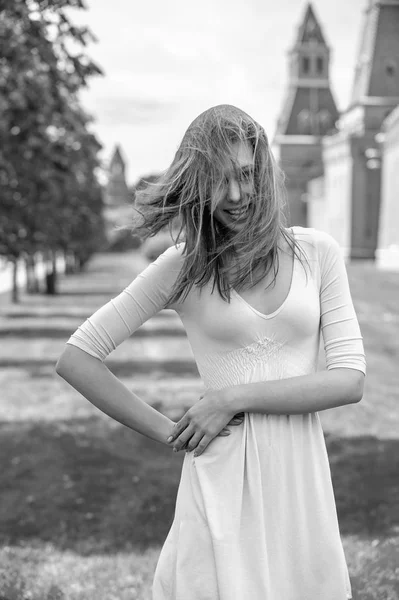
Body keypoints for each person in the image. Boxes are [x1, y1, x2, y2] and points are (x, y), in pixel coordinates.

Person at [56, 104, 366, 600]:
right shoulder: (183, 267)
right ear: (198, 185)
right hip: (220, 474)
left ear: (262, 170)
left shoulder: (318, 253)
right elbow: (77, 357)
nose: (238, 195)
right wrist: (167, 431)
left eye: (246, 175)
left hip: (299, 478)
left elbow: (349, 380)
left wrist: (230, 398)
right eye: (220, 181)